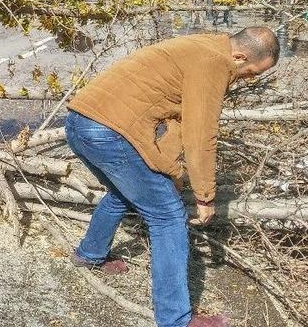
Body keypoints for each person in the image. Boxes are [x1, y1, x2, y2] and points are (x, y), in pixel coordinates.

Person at [65, 27, 280, 327]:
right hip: (109, 132)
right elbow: (200, 134)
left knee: (122, 192)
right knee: (168, 216)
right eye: (251, 72)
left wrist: (171, 171)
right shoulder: (214, 62)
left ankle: (89, 254)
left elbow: (173, 124)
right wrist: (205, 195)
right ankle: (175, 320)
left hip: (80, 122)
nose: (249, 78)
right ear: (240, 56)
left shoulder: (203, 45)